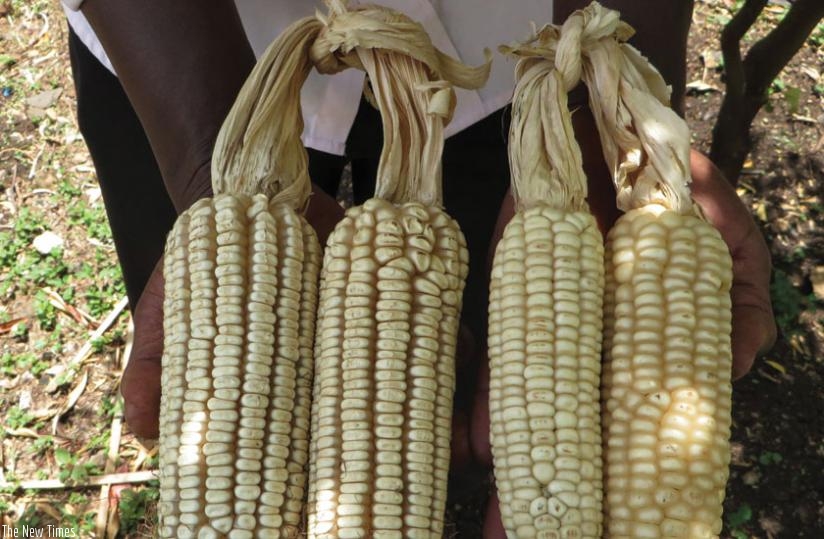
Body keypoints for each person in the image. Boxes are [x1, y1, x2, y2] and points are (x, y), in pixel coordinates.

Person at [64, 0, 776, 535]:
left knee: (471, 381)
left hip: (502, 60)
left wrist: (600, 109)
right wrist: (206, 175)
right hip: (179, 48)